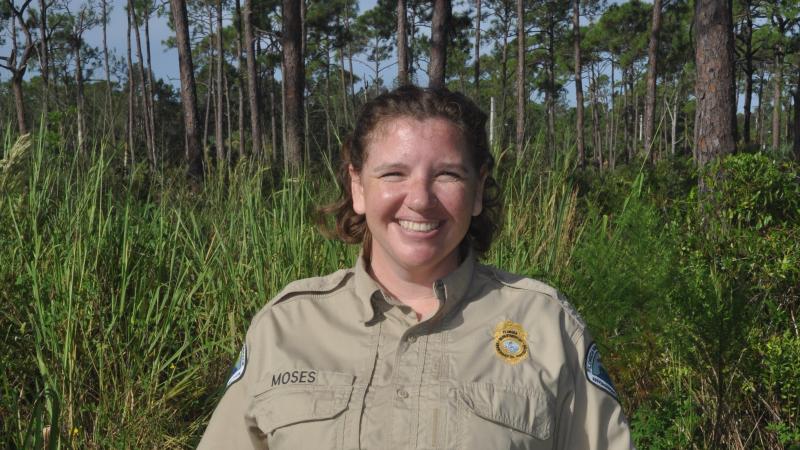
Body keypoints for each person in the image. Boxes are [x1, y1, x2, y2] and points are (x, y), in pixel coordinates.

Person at [198, 85, 634, 449]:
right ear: (358, 187)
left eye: (447, 174)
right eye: (393, 174)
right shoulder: (286, 326)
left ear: (478, 191)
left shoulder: (546, 326)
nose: (421, 198)